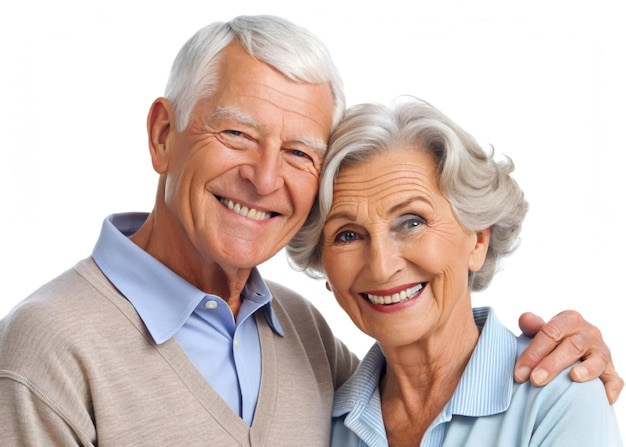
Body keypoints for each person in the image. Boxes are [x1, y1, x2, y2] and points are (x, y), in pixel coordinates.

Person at [0, 15, 621, 446]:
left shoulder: (303, 337)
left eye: (299, 152)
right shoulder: (48, 348)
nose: (265, 177)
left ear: (477, 236)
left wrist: (580, 356)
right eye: (237, 133)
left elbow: (430, 366)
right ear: (164, 135)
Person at [287, 97, 623, 446]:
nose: (382, 267)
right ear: (323, 264)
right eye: (348, 235)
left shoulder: (557, 399)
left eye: (412, 222)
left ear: (477, 239)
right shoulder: (318, 419)